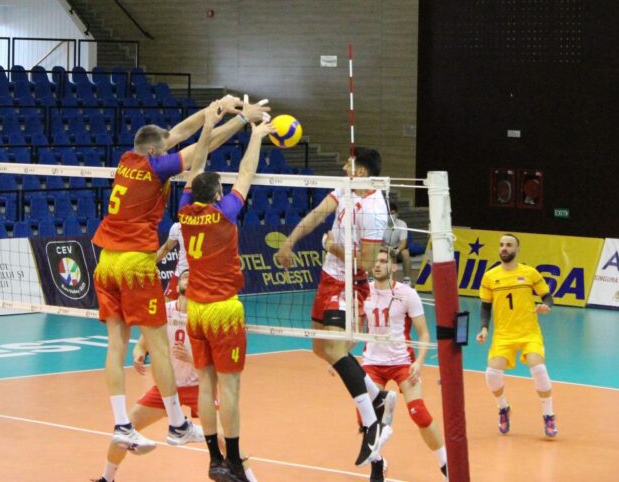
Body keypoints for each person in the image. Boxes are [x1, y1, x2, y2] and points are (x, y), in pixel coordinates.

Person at [92, 95, 270, 452]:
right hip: (134, 265)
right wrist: (241, 122)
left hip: (104, 262)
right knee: (159, 345)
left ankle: (121, 424)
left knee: (115, 345)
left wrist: (214, 107)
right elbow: (202, 147)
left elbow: (173, 136)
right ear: (157, 153)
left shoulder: (128, 160)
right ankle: (176, 424)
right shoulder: (158, 169)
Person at [275, 147, 395, 466]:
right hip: (328, 278)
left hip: (350, 285)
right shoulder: (344, 188)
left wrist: (332, 246)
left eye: (350, 164)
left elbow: (368, 264)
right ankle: (379, 396)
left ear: (363, 172)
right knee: (321, 348)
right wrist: (289, 241)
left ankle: (371, 424)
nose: (344, 167)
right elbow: (316, 216)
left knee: (335, 348)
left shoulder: (374, 209)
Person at [179, 106, 271, 482]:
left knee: (206, 384)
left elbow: (195, 164)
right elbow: (247, 174)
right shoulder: (224, 213)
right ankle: (233, 460)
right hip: (222, 310)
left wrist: (208, 128)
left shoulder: (184, 213)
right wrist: (257, 135)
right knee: (229, 386)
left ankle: (214, 458)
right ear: (217, 193)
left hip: (196, 310)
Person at [362, 251, 447, 481]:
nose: (377, 265)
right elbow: (355, 329)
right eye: (375, 261)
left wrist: (419, 362)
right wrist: (339, 357)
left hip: (402, 362)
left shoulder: (408, 294)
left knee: (418, 412)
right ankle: (378, 463)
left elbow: (424, 333)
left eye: (383, 261)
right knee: (366, 421)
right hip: (372, 363)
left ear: (393, 267)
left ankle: (445, 464)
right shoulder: (363, 292)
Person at [476, 233, 557, 437]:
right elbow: (485, 307)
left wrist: (546, 306)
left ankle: (548, 416)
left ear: (518, 249)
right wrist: (484, 328)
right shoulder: (490, 276)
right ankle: (503, 408)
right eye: (502, 245)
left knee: (538, 368)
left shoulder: (530, 273)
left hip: (529, 332)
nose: (504, 248)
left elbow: (547, 296)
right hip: (503, 335)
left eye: (509, 245)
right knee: (491, 376)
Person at [384, 202, 412, 287]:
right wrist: (386, 249)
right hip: (383, 247)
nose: (390, 215)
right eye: (388, 213)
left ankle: (407, 280)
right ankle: (372, 278)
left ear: (397, 214)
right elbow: (376, 243)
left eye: (392, 213)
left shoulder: (402, 224)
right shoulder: (380, 223)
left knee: (405, 253)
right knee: (373, 251)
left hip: (397, 248)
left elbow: (403, 242)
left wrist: (397, 250)